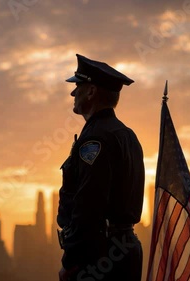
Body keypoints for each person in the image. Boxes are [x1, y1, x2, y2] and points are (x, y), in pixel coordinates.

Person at [57, 54, 145, 281]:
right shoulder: (127, 135)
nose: (73, 93)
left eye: (78, 86)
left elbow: (88, 203)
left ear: (92, 92)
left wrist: (71, 262)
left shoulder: (94, 139)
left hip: (98, 257)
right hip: (125, 250)